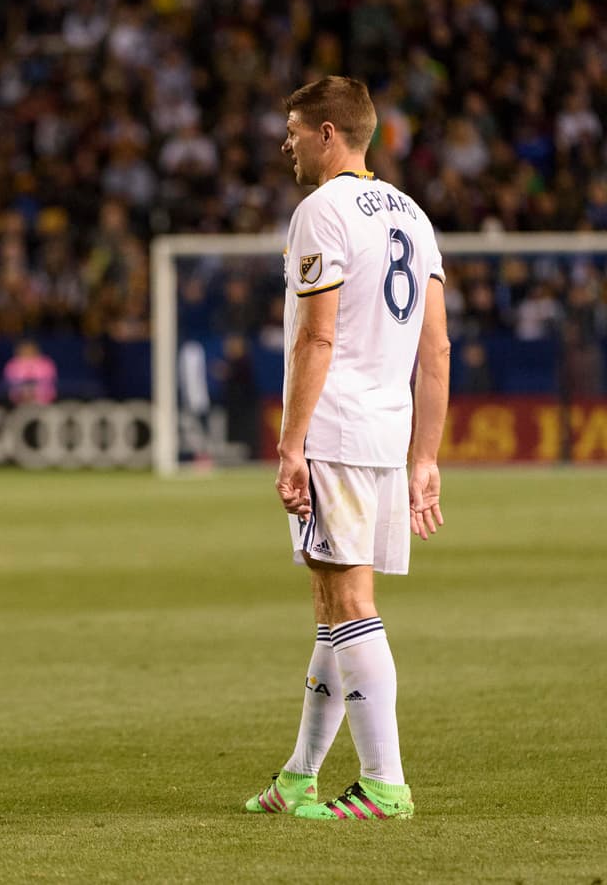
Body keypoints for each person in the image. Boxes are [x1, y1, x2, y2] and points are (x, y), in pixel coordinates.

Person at [243, 77, 450, 821]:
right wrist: (424, 457)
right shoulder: (413, 214)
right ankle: (299, 774)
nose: (285, 143)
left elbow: (317, 335)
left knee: (348, 601)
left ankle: (384, 783)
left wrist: (290, 443)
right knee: (334, 607)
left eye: (294, 129)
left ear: (329, 132)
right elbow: (436, 351)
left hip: (335, 429)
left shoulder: (321, 211)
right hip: (387, 433)